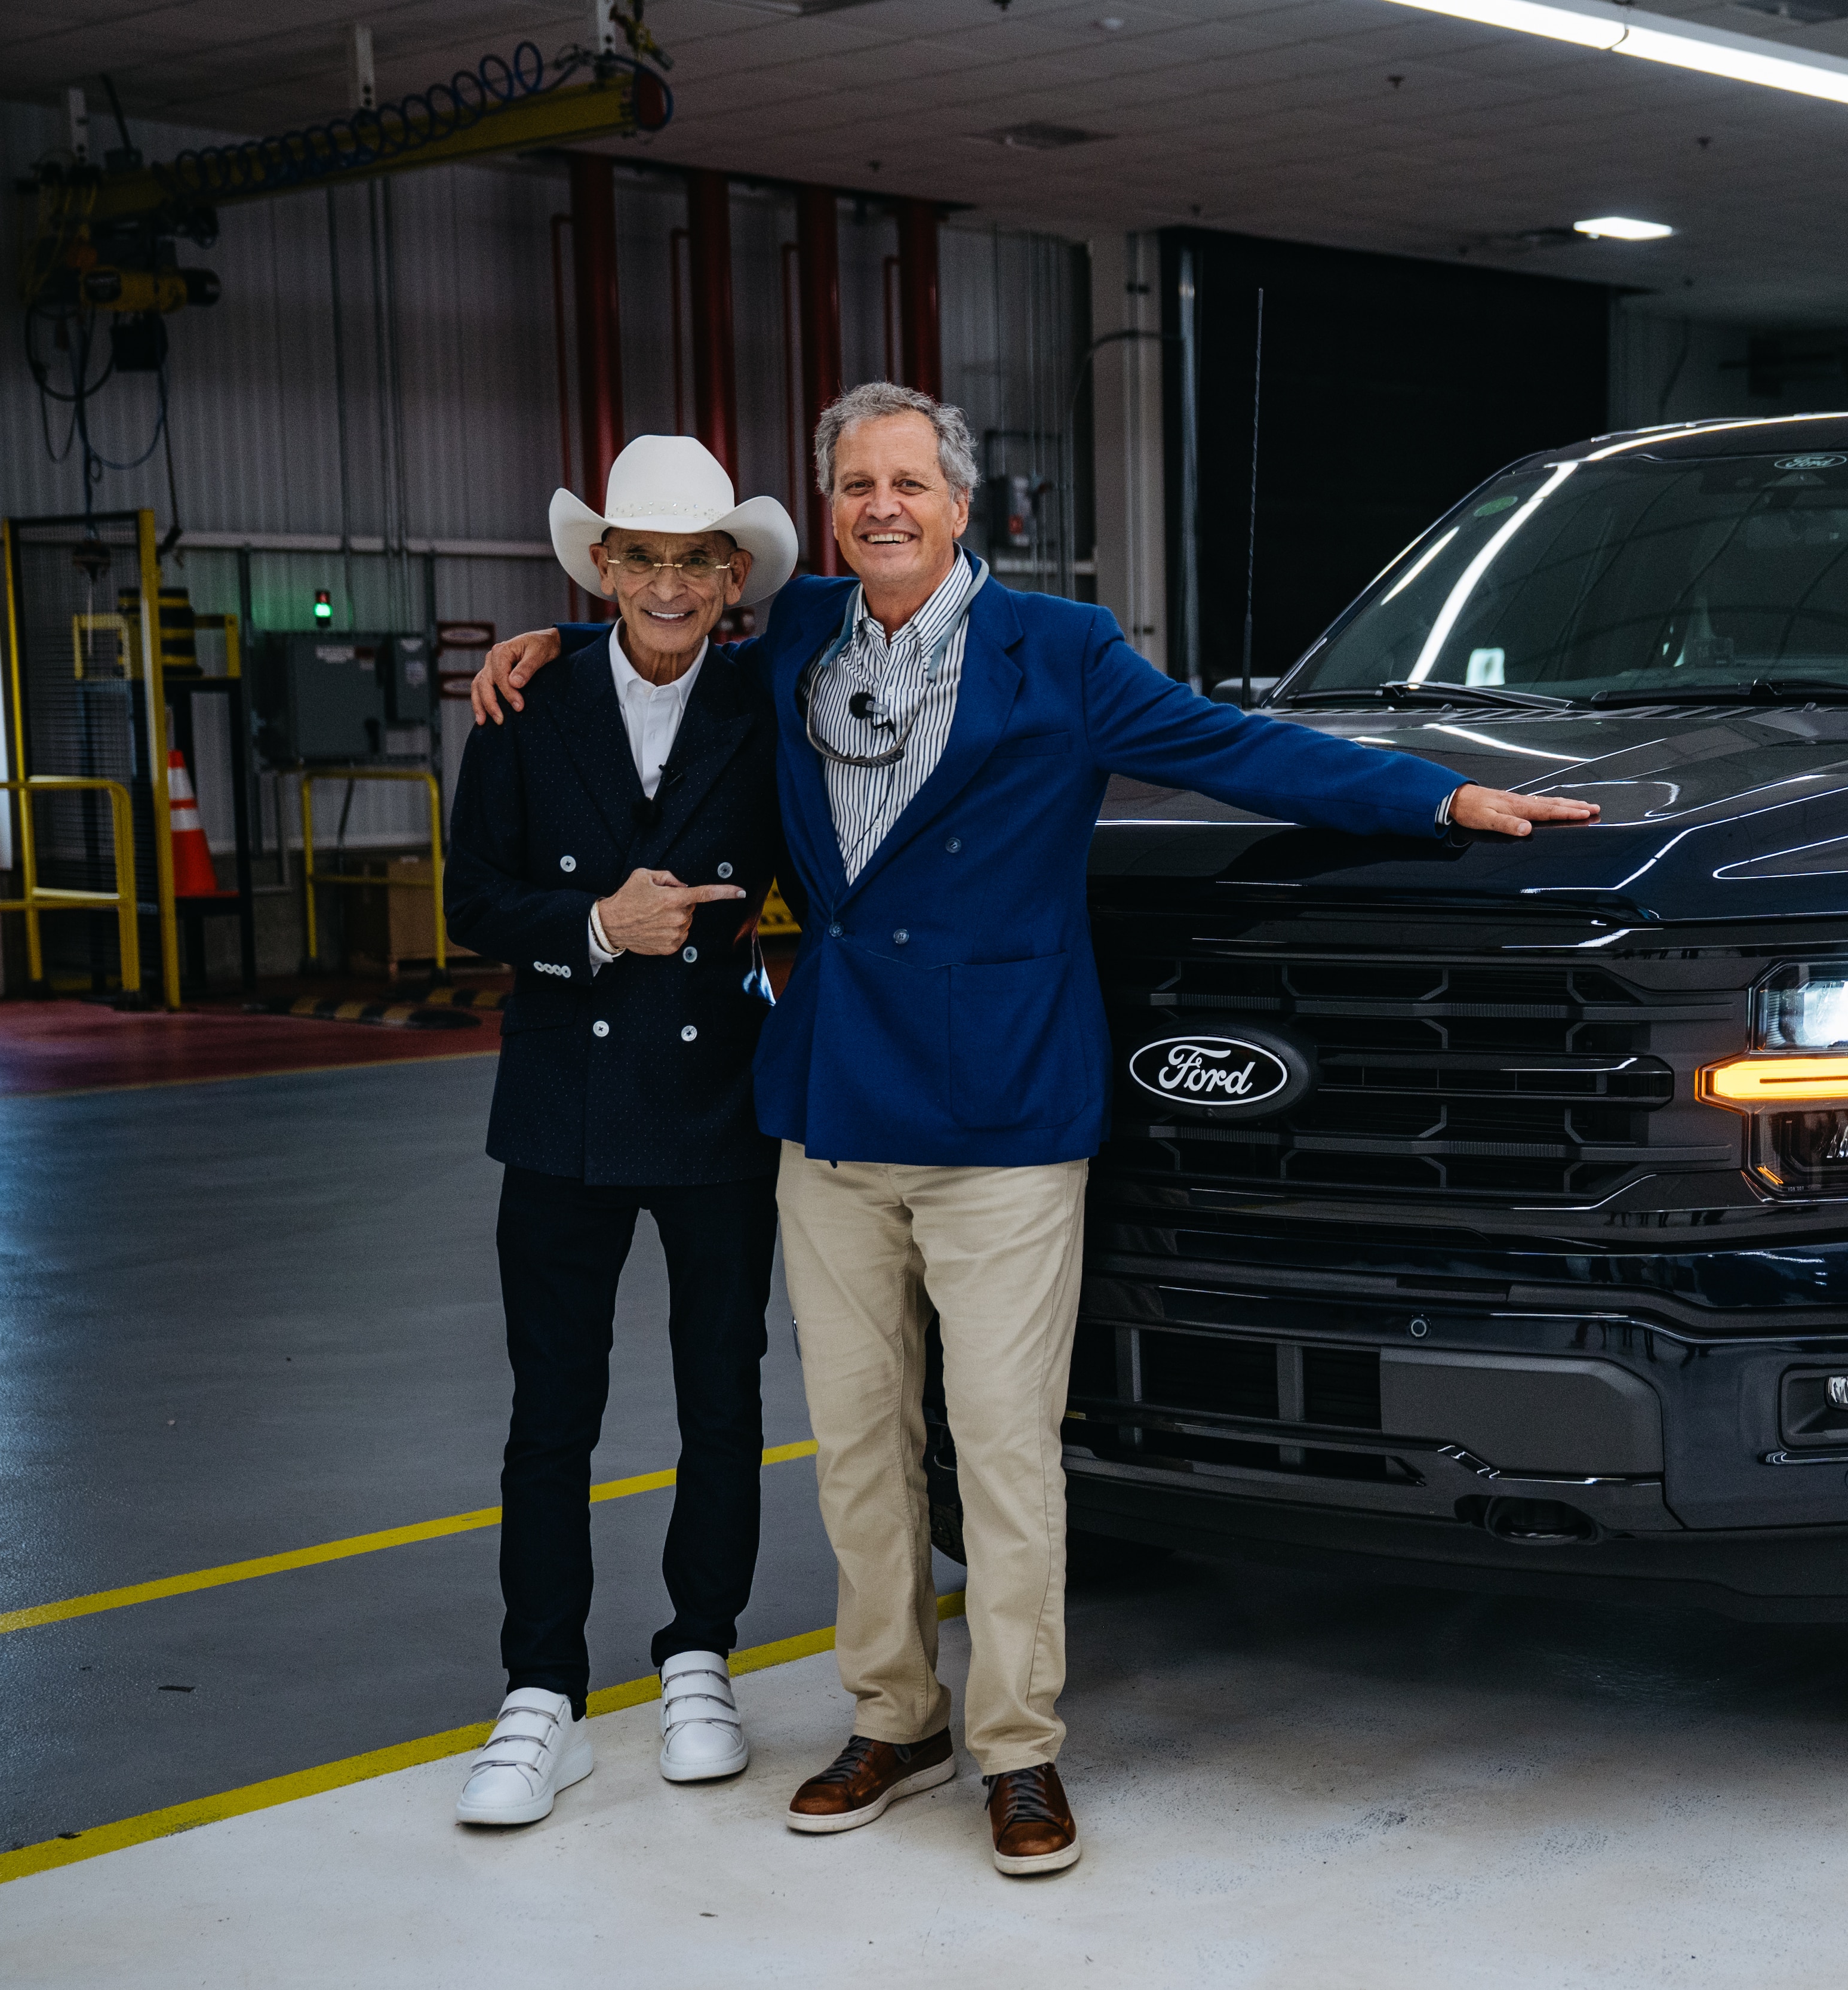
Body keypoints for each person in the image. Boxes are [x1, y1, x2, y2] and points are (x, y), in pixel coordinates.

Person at [473, 382, 1595, 1874]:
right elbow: (655, 638)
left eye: (909, 484)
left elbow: (1236, 747)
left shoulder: (1060, 651)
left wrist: (1438, 793)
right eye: (856, 483)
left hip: (1004, 1111)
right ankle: (893, 1715)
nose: (882, 506)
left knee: (1003, 1449)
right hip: (830, 1107)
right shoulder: (794, 630)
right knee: (862, 1448)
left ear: (961, 501)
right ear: (826, 511)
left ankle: (1017, 1747)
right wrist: (540, 646)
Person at [444, 435, 797, 1828]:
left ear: (732, 576)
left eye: (691, 561)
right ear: (602, 568)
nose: (664, 584)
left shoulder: (775, 698)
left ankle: (698, 1655)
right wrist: (594, 926)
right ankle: (541, 1691)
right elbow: (477, 901)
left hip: (718, 1098)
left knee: (723, 1397)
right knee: (552, 1410)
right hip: (560, 1104)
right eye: (638, 558)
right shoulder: (529, 701)